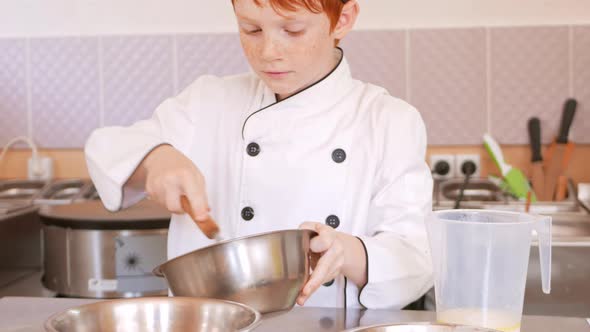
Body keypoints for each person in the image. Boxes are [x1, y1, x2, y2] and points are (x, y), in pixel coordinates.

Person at [85, 0, 433, 309]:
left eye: (292, 30)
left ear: (342, 19)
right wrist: (155, 158)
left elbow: (416, 261)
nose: (268, 52)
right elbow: (107, 148)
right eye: (251, 29)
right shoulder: (209, 100)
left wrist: (348, 252)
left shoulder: (389, 121)